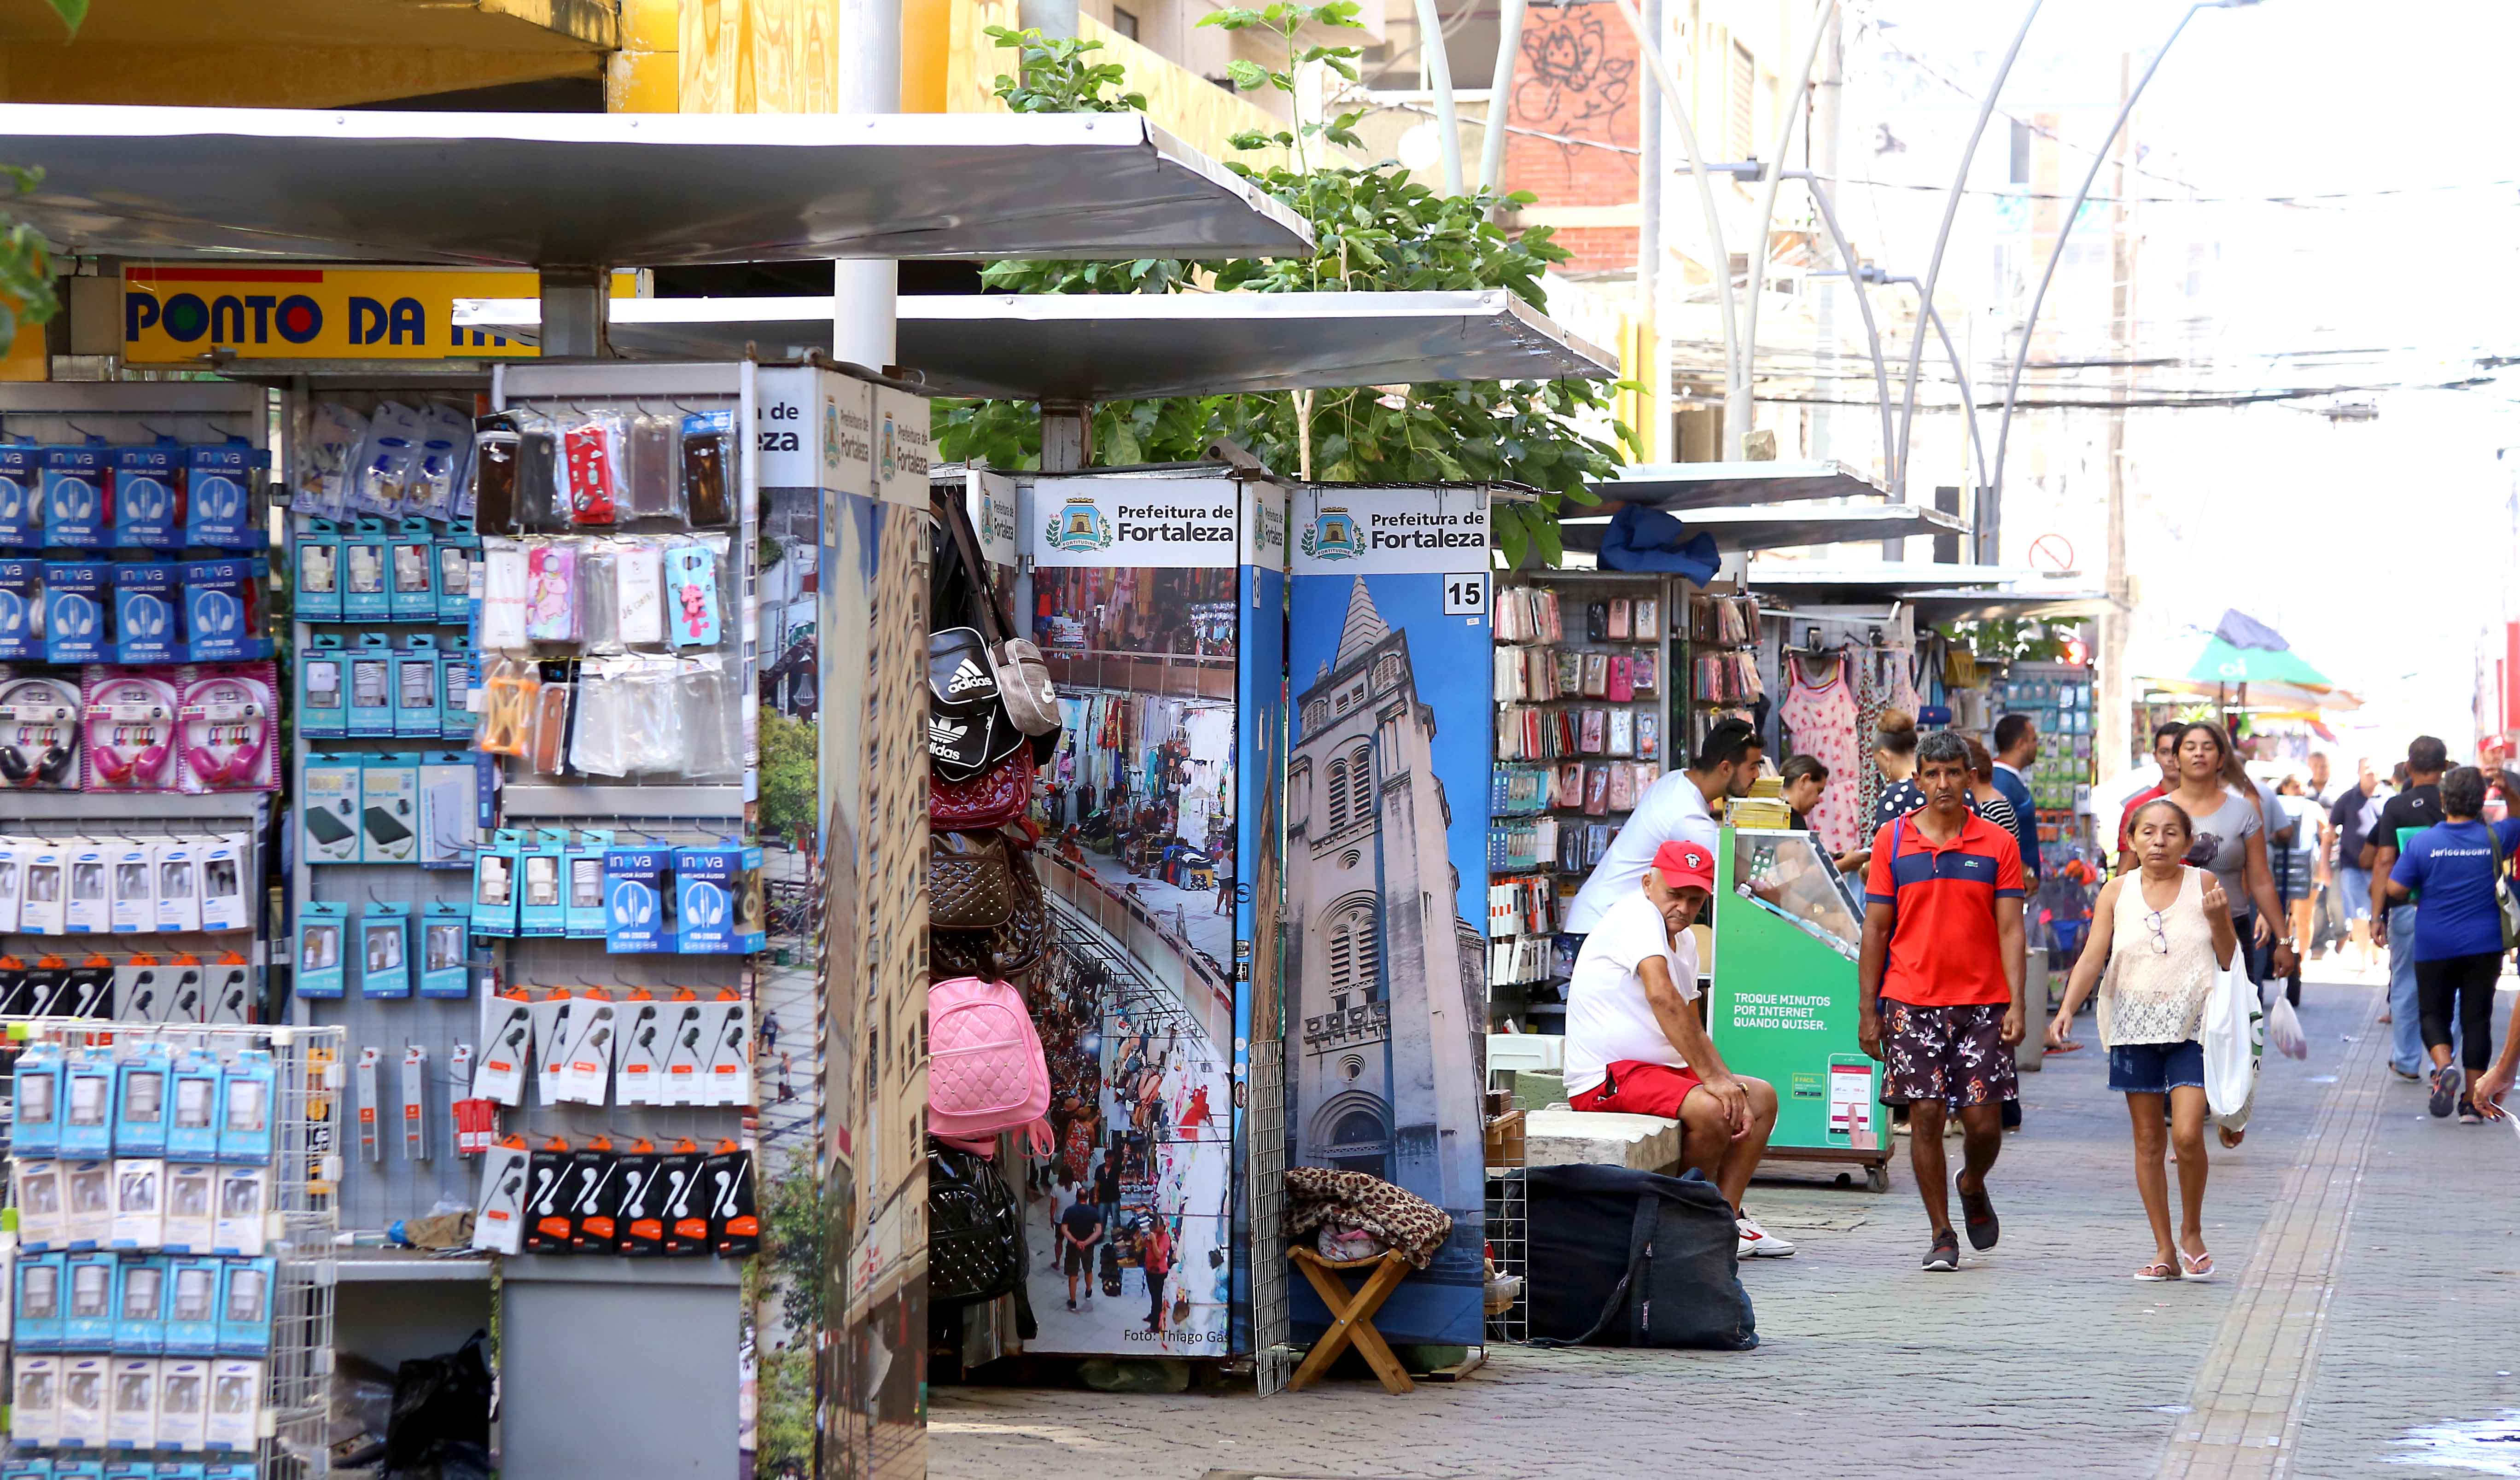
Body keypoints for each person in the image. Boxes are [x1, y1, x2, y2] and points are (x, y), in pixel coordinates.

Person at [1564, 839, 1793, 1259]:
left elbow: (1693, 1025)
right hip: (1608, 1077)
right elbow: (1663, 997)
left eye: (1695, 899)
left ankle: (1726, 1218)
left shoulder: (1685, 942)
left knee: (1758, 1097)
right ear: (1648, 883)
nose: (1683, 909)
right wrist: (1714, 1085)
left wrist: (1724, 1081)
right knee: (1712, 1109)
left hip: (1657, 1073)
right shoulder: (1637, 914)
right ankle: (1685, 1225)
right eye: (1675, 895)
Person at [2047, 797, 2240, 1281]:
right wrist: (2067, 1007)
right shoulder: (2116, 891)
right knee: (2149, 1140)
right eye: (2148, 832)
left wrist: (2219, 921)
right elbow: (2094, 954)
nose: (2159, 841)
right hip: (2133, 1027)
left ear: (2188, 843)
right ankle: (2164, 1249)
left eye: (2171, 832)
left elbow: (2228, 957)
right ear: (2131, 840)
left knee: (2189, 1133)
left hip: (2195, 1026)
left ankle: (2191, 1230)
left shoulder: (2206, 884)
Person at [1857, 731, 2027, 1272]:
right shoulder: (1892, 840)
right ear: (1917, 779)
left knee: (1983, 1123)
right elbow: (1876, 928)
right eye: (1932, 774)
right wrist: (1868, 1009)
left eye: (1954, 773)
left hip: (1983, 1003)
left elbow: (2011, 931)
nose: (1943, 784)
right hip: (1910, 999)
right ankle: (1941, 1231)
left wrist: (2019, 1004)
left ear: (1969, 778)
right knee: (1925, 1115)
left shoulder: (1997, 844)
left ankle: (1972, 1182)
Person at [2377, 765, 2517, 1121]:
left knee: (2432, 1013)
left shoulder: (2423, 842)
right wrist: (2508, 786)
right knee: (2477, 1019)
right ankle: (2473, 1102)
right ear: (2482, 801)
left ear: (2443, 801)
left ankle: (2442, 1066)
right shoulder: (2496, 836)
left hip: (2434, 941)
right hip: (2485, 944)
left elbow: (2394, 888)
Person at [1563, 718, 1762, 936]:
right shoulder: (1689, 818)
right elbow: (1744, 876)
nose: (1757, 776)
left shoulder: (1677, 781)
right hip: (1600, 929)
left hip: (1596, 921)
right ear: (1726, 768)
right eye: (1752, 767)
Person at [2160, 721, 2295, 988]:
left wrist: (2283, 940)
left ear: (2221, 759)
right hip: (2169, 934)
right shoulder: (2157, 812)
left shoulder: (2243, 811)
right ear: (2176, 759)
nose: (2199, 753)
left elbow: (2261, 880)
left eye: (2207, 748)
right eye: (2190, 747)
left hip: (2232, 929)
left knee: (2234, 1022)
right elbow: (2139, 878)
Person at [2366, 736, 2448, 1081]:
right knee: (2449, 986)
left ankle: (2406, 1060)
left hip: (2406, 909)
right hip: (2451, 908)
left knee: (2404, 983)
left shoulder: (2396, 807)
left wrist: (2376, 915)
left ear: (2409, 767)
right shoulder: (2456, 803)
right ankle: (2444, 1061)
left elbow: (2384, 861)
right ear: (2444, 768)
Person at [2117, 722, 2190, 873]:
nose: (2171, 759)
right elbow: (2125, 870)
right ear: (2155, 756)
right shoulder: (2138, 806)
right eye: (2165, 752)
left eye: (2177, 751)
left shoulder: (2211, 803)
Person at [2329, 758, 2381, 968]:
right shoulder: (2348, 799)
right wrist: (2325, 863)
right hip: (2352, 866)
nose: (2370, 772)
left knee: (2378, 913)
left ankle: (2376, 951)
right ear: (2358, 772)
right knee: (2359, 913)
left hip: (2382, 867)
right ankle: (2364, 959)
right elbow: (2330, 830)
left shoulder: (2389, 798)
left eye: (2373, 767)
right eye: (2366, 768)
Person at [1782, 755, 1866, 873]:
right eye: (1818, 791)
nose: (1818, 800)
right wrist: (1845, 864)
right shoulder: (1791, 819)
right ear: (1804, 780)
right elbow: (1797, 878)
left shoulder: (1776, 814)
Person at [1990, 713, 2043, 891]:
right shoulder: (2000, 782)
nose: (2037, 745)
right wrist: (2025, 872)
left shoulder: (2009, 778)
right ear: (2021, 744)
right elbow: (1996, 835)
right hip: (2012, 885)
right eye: (2034, 740)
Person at [1870, 709, 1925, 832]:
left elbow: (1885, 848)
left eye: (1878, 763)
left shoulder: (1893, 797)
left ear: (1885, 757)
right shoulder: (1949, 786)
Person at [1058, 1193, 1105, 1312]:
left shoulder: (1070, 1211)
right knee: (1088, 1269)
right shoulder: (1093, 1212)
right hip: (1088, 1247)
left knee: (1073, 1274)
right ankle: (1088, 1291)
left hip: (1073, 1247)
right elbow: (1099, 1231)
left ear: (1077, 1197)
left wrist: (1076, 1242)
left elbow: (1064, 1229)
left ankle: (1073, 1302)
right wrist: (1086, 1242)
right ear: (1087, 1198)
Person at [1140, 1216, 1172, 1334]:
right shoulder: (1154, 1234)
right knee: (1153, 1296)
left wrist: (1154, 1241)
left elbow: (1159, 1255)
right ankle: (1152, 1315)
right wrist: (1146, 1241)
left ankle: (1155, 1325)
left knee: (1157, 1299)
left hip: (1159, 1273)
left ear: (1161, 1227)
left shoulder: (1165, 1238)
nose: (1154, 1230)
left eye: (1156, 1228)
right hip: (1150, 1270)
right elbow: (1143, 1247)